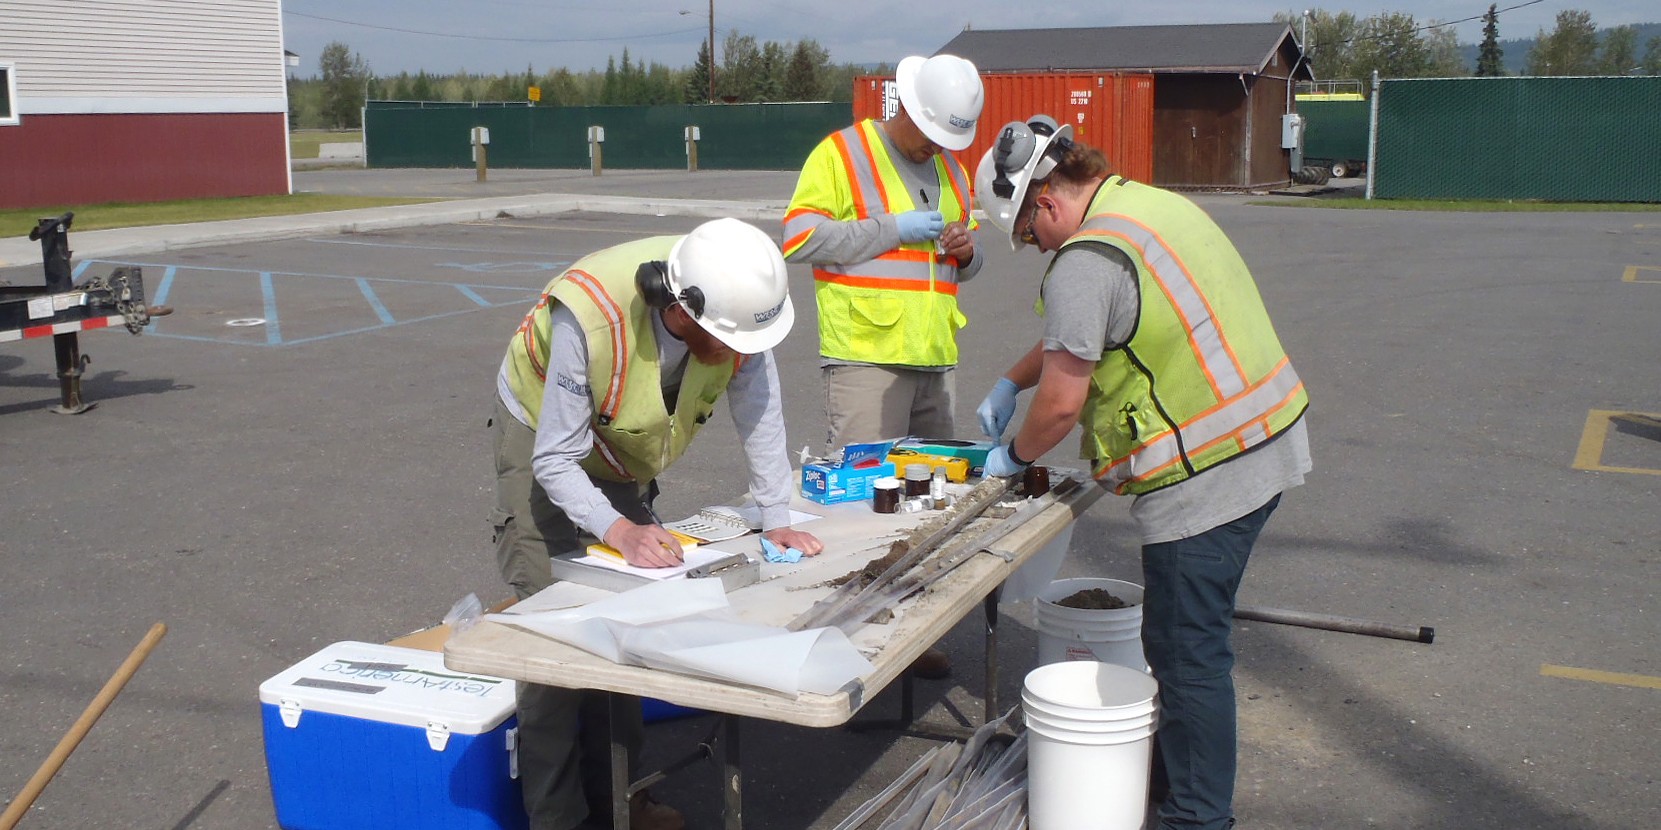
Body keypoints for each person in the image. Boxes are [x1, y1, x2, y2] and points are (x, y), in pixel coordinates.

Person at [972, 115, 1312, 830]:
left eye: (1029, 235)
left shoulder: (1085, 259)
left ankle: (1196, 817)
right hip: (1265, 433)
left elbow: (1060, 406)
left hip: (1208, 471)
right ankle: (1167, 777)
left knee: (1187, 655)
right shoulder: (1144, 206)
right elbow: (1081, 331)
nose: (1037, 248)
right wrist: (1010, 378)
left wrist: (1014, 456)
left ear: (1045, 202)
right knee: (1183, 641)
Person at [490, 217, 824, 830]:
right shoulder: (589, 318)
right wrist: (618, 530)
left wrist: (776, 514)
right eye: (727, 342)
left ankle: (621, 800)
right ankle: (559, 818)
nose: (739, 356)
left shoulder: (734, 304)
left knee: (628, 616)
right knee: (552, 630)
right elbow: (556, 458)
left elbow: (760, 408)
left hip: (618, 438)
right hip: (543, 430)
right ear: (681, 310)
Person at [781, 53, 984, 679]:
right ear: (910, 108)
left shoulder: (950, 168)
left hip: (932, 357)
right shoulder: (843, 153)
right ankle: (850, 644)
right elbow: (800, 239)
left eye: (948, 138)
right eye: (932, 132)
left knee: (927, 503)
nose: (937, 146)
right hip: (867, 355)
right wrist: (893, 228)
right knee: (860, 508)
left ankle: (910, 635)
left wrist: (966, 251)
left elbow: (965, 263)